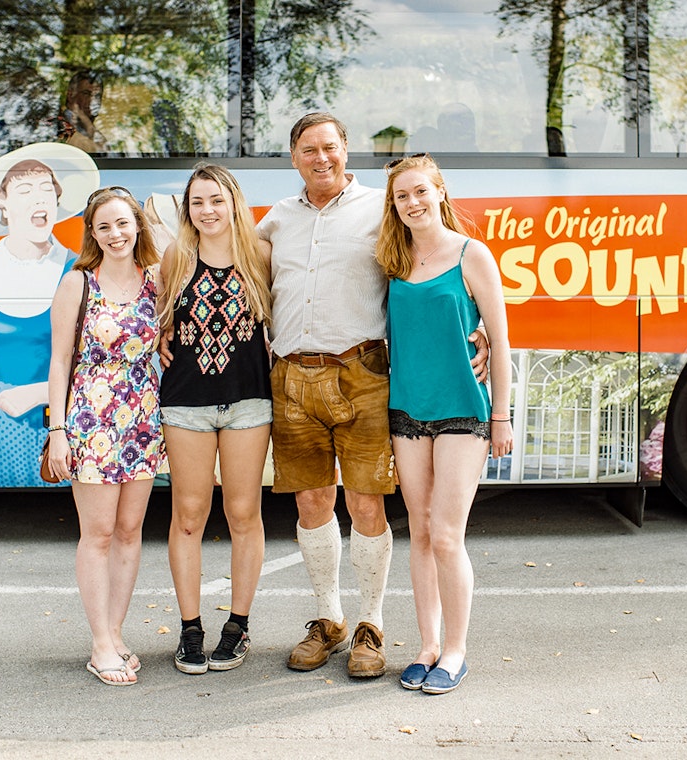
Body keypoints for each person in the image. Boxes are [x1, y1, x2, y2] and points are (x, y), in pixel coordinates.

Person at [256, 113, 488, 678]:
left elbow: (440, 271)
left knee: (365, 504)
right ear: (293, 158)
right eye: (308, 150)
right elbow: (220, 260)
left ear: (346, 150)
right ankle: (327, 620)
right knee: (311, 503)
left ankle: (370, 625)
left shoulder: (380, 210)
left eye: (330, 147)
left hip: (361, 372)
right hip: (292, 377)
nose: (321, 158)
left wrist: (477, 326)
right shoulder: (274, 221)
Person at [376, 153, 512, 694]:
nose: (412, 203)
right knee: (422, 533)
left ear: (439, 193)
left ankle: (455, 651)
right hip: (408, 414)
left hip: (463, 411)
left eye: (420, 192)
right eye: (401, 196)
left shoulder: (471, 254)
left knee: (448, 535)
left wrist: (500, 414)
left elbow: (499, 339)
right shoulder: (391, 259)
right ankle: (427, 644)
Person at [45, 186, 164, 686]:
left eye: (123, 223)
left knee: (130, 532)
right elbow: (57, 360)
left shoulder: (156, 281)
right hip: (91, 422)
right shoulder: (79, 282)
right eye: (104, 227)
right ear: (92, 234)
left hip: (143, 419)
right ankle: (99, 643)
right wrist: (57, 430)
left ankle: (115, 633)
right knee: (96, 533)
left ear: (138, 224)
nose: (115, 234)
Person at [157, 164, 272, 674]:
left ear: (233, 202)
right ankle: (190, 630)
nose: (207, 211)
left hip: (249, 402)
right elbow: (160, 323)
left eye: (216, 200)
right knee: (188, 516)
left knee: (244, 514)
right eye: (197, 202)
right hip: (186, 405)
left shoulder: (261, 257)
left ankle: (238, 627)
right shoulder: (176, 257)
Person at [0, 142, 98, 487]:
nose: (40, 199)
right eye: (26, 189)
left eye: (48, 189)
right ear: (1, 200)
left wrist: (37, 393)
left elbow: (96, 356)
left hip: (64, 419)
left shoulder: (79, 270)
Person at [60, 71, 107, 153]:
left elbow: (108, 153)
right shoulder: (60, 124)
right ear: (71, 95)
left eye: (97, 95)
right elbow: (94, 152)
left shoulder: (85, 125)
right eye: (86, 94)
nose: (93, 100)